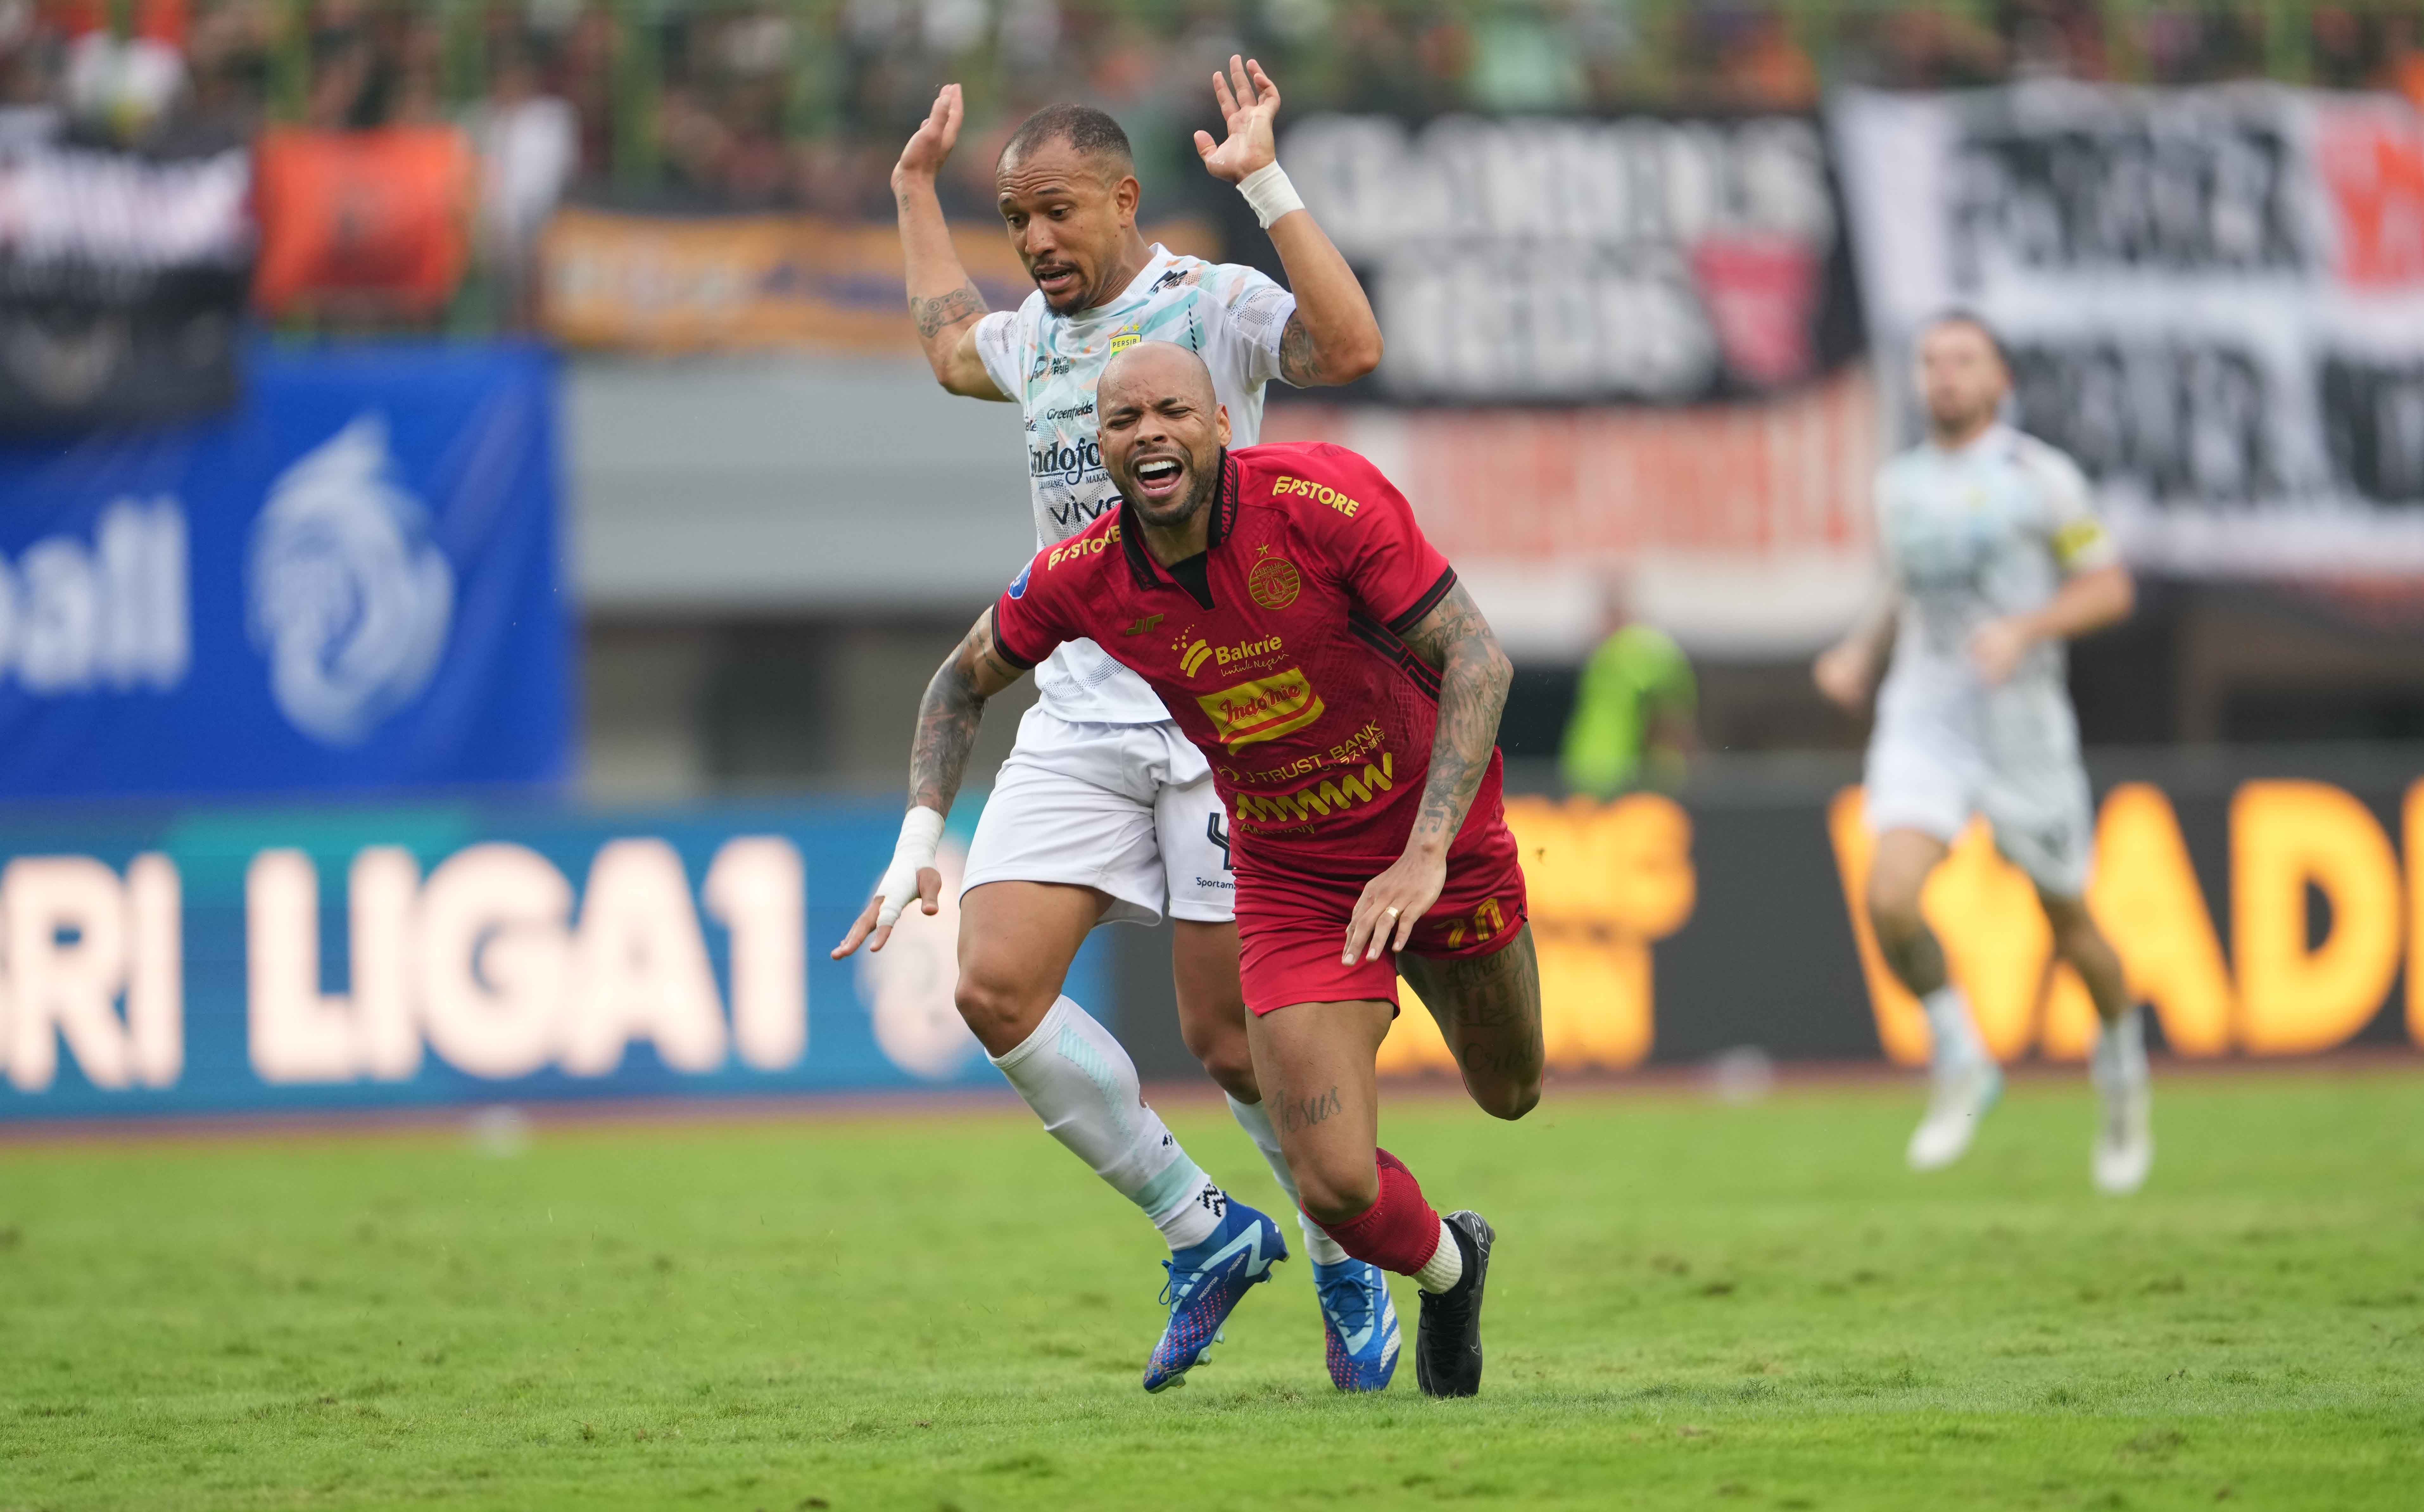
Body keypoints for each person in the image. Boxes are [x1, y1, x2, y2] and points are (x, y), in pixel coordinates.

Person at [839, 66, 1399, 1391]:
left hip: (1228, 712)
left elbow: (1349, 349)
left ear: (1123, 198)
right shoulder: (1034, 337)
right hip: (1083, 713)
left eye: (1055, 212)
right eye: (1013, 220)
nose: (1033, 241)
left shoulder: (1207, 302)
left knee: (1232, 1043)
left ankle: (1345, 1257)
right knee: (991, 987)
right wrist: (914, 189)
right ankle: (1203, 1229)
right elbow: (948, 346)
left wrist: (1266, 181)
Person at [842, 342, 1542, 1397]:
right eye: (1123, 421)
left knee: (1511, 1092)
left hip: (1432, 845)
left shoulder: (1321, 499)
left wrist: (1427, 852)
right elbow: (959, 680)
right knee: (1333, 1184)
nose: (1149, 434)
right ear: (1098, 447)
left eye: (1172, 410)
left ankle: (1381, 1242)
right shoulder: (1086, 573)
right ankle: (1450, 1266)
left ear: (1220, 423)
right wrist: (916, 838)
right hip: (1297, 875)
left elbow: (1478, 658)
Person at [1813, 311, 2152, 1194]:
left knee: (2070, 924)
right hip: (1927, 719)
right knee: (1889, 895)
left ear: (1999, 379)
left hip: (2020, 729)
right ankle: (1961, 1059)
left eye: (1964, 360)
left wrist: (2026, 629)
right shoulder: (1900, 485)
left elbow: (2109, 587)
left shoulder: (2041, 479)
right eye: (1931, 361)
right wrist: (1858, 652)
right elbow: (1904, 587)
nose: (1945, 375)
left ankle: (2121, 1074)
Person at [1559, 588, 1696, 798]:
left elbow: (1666, 713)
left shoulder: (1633, 653)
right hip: (1606, 772)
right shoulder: (1606, 656)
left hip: (1616, 773)